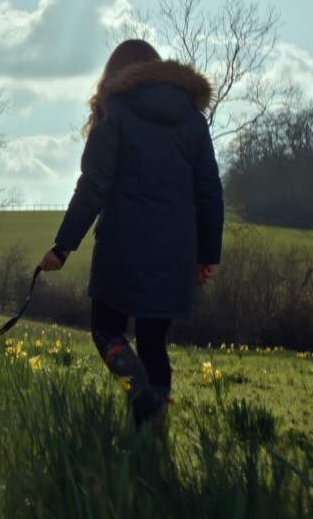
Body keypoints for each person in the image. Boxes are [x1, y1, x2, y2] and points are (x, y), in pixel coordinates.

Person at [39, 39, 224, 428]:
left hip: (124, 247)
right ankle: (152, 437)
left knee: (107, 331)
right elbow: (209, 191)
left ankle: (141, 398)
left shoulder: (115, 112)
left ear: (115, 73)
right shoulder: (192, 119)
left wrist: (63, 246)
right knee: (154, 342)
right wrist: (207, 254)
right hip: (175, 252)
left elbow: (93, 186)